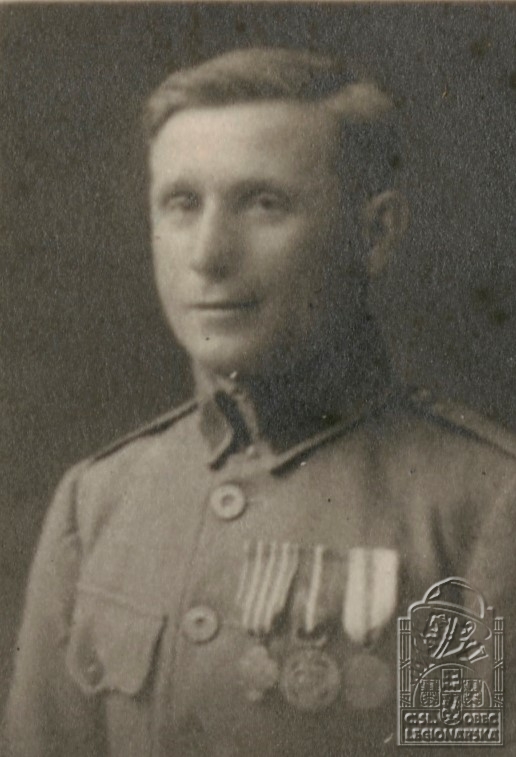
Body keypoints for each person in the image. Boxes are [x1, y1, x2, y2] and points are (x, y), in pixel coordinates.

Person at [4, 47, 516, 756]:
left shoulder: (481, 505)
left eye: (264, 203)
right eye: (182, 204)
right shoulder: (97, 501)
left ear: (375, 233)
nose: (208, 254)